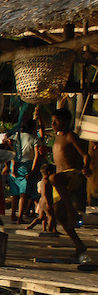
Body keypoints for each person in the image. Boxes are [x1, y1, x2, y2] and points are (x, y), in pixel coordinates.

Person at [49, 107, 91, 258]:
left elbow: (85, 155)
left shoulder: (70, 135)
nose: (53, 123)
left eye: (56, 121)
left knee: (52, 178)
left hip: (72, 174)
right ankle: (79, 244)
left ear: (66, 122)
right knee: (58, 213)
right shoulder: (57, 136)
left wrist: (85, 167)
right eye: (52, 120)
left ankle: (72, 211)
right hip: (61, 178)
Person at [6, 117, 43, 224]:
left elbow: (9, 145)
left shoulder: (17, 136)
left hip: (15, 166)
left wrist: (11, 164)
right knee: (24, 194)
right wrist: (33, 169)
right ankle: (19, 217)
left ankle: (13, 214)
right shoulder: (35, 138)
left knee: (15, 193)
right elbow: (36, 155)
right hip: (27, 165)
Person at [27, 163, 56, 232]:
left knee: (41, 217)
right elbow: (45, 193)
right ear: (49, 173)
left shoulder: (42, 181)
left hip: (42, 201)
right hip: (46, 201)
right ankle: (51, 229)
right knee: (51, 216)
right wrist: (48, 203)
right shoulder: (46, 181)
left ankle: (31, 226)